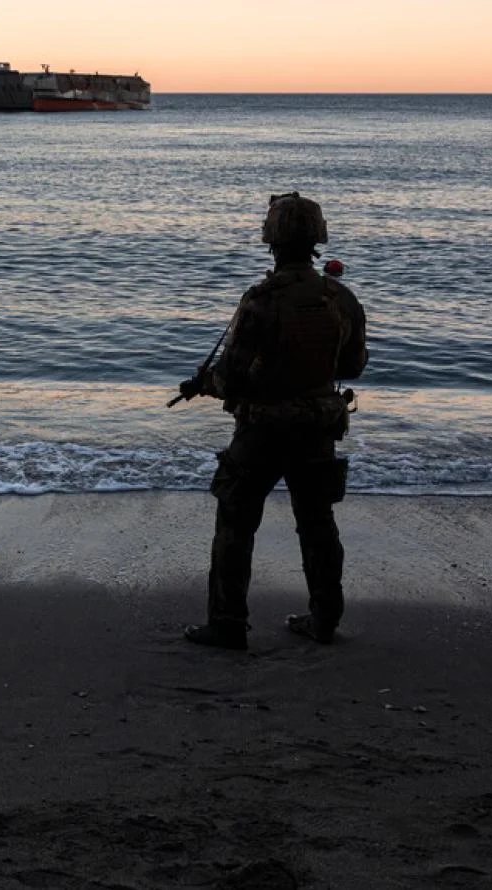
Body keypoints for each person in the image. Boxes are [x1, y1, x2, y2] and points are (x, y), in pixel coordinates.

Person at [179, 193, 368, 651]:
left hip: (262, 431)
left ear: (272, 240)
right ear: (317, 238)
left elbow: (231, 376)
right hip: (318, 428)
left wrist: (203, 384)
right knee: (317, 523)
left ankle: (227, 624)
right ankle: (324, 619)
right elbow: (355, 365)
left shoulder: (261, 301)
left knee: (236, 524)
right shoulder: (339, 297)